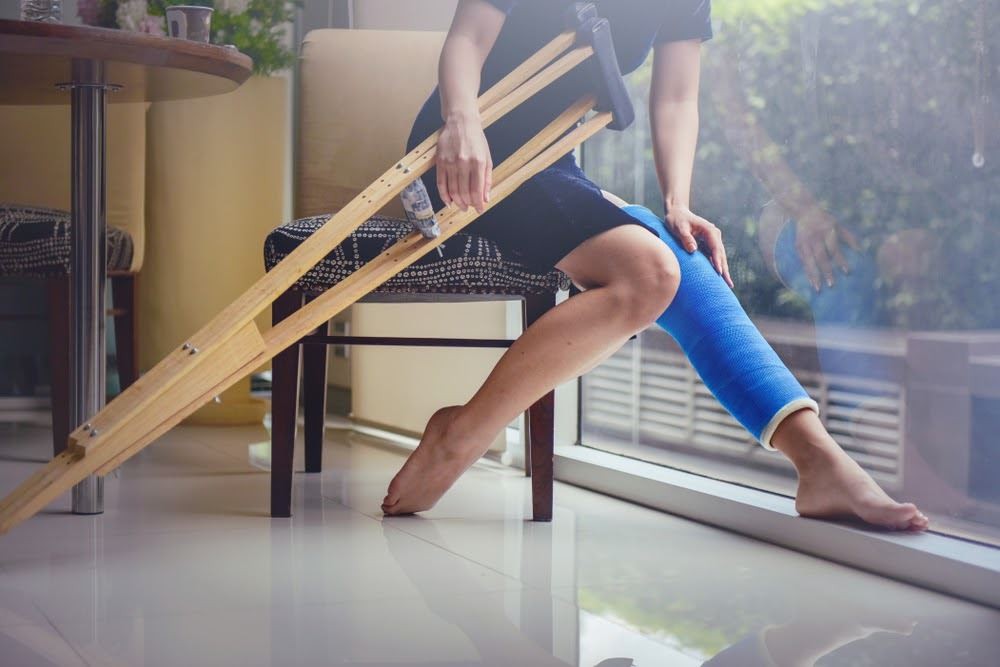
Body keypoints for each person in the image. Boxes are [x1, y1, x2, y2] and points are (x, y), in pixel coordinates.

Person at [380, 0, 928, 532]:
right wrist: (461, 121)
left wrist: (678, 202)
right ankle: (461, 434)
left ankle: (817, 462)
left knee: (678, 254)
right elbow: (468, 37)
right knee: (652, 272)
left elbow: (676, 98)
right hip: (461, 155)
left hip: (551, 166)